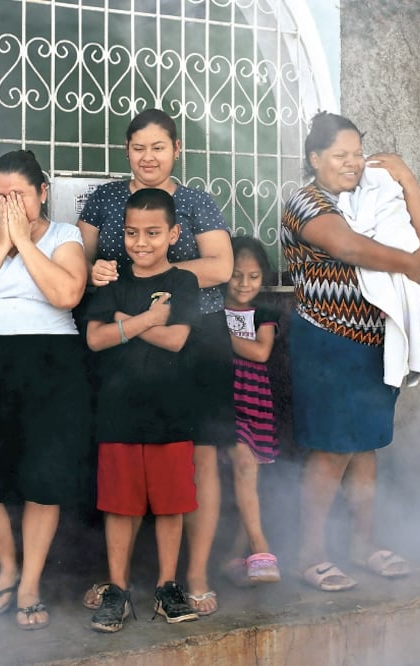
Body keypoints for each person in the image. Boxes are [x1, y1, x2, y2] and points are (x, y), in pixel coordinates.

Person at [78, 108, 233, 616]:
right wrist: (113, 278)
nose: (149, 157)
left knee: (196, 459)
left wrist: (150, 279)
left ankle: (191, 576)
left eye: (159, 147)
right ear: (127, 150)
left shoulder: (194, 201)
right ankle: (118, 584)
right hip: (123, 345)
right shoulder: (104, 199)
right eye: (139, 147)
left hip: (192, 338)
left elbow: (222, 266)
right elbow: (78, 262)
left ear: (176, 150)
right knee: (120, 465)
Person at [280, 111, 420, 591]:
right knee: (331, 449)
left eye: (357, 154)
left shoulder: (369, 197)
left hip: (375, 342)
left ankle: (364, 544)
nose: (352, 163)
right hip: (327, 340)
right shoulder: (303, 200)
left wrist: (405, 176)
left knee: (366, 446)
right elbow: (348, 247)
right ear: (315, 158)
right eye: (340, 155)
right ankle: (310, 553)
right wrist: (408, 263)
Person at [0, 149, 91, 629]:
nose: (7, 205)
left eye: (18, 196)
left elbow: (67, 294)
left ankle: (29, 584)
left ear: (42, 193)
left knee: (43, 479)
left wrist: (24, 243)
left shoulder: (65, 236)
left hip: (52, 362)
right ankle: (7, 565)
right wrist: (1, 244)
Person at [84, 188, 202, 632]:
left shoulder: (185, 282)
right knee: (120, 506)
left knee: (171, 505)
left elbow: (177, 340)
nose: (141, 242)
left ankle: (166, 586)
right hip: (117, 410)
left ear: (173, 234)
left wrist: (124, 324)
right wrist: (150, 319)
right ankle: (117, 591)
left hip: (172, 411)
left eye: (153, 233)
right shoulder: (112, 280)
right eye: (132, 233)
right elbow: (95, 338)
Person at [218, 236, 283, 588]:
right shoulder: (209, 309)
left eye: (254, 277)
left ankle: (235, 557)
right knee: (243, 467)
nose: (244, 284)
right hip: (222, 404)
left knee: (248, 478)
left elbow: (260, 353)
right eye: (237, 275)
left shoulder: (266, 313)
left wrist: (220, 335)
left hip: (254, 401)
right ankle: (261, 550)